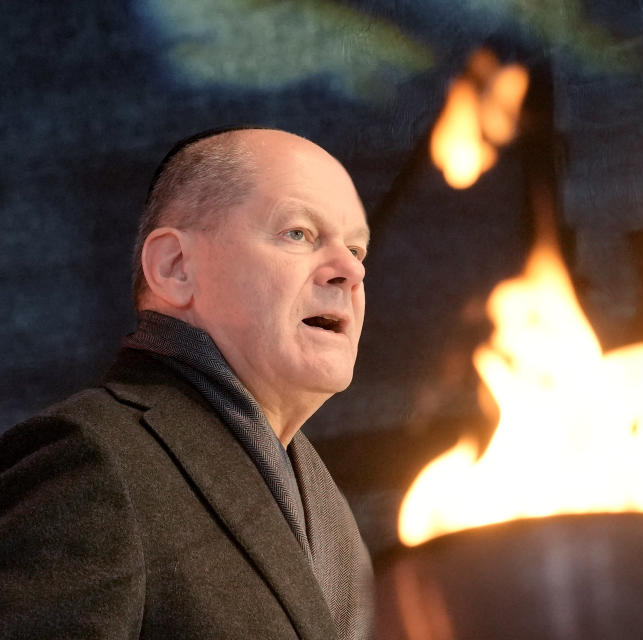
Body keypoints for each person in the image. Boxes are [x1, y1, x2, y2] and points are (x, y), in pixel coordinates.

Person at [0, 127, 374, 639]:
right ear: (175, 267)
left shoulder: (324, 507)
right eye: (298, 233)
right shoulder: (94, 458)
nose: (348, 272)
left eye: (357, 251)